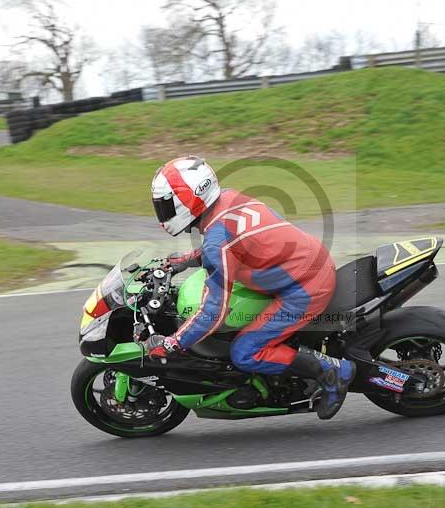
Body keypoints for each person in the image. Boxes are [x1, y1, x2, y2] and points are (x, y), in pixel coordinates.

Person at [145, 156, 355, 419]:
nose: (163, 212)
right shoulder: (230, 198)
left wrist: (173, 344)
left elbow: (213, 312)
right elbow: (237, 244)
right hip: (307, 261)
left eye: (165, 205)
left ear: (188, 199)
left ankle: (334, 372)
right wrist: (185, 260)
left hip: (305, 287)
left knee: (244, 352)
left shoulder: (216, 243)